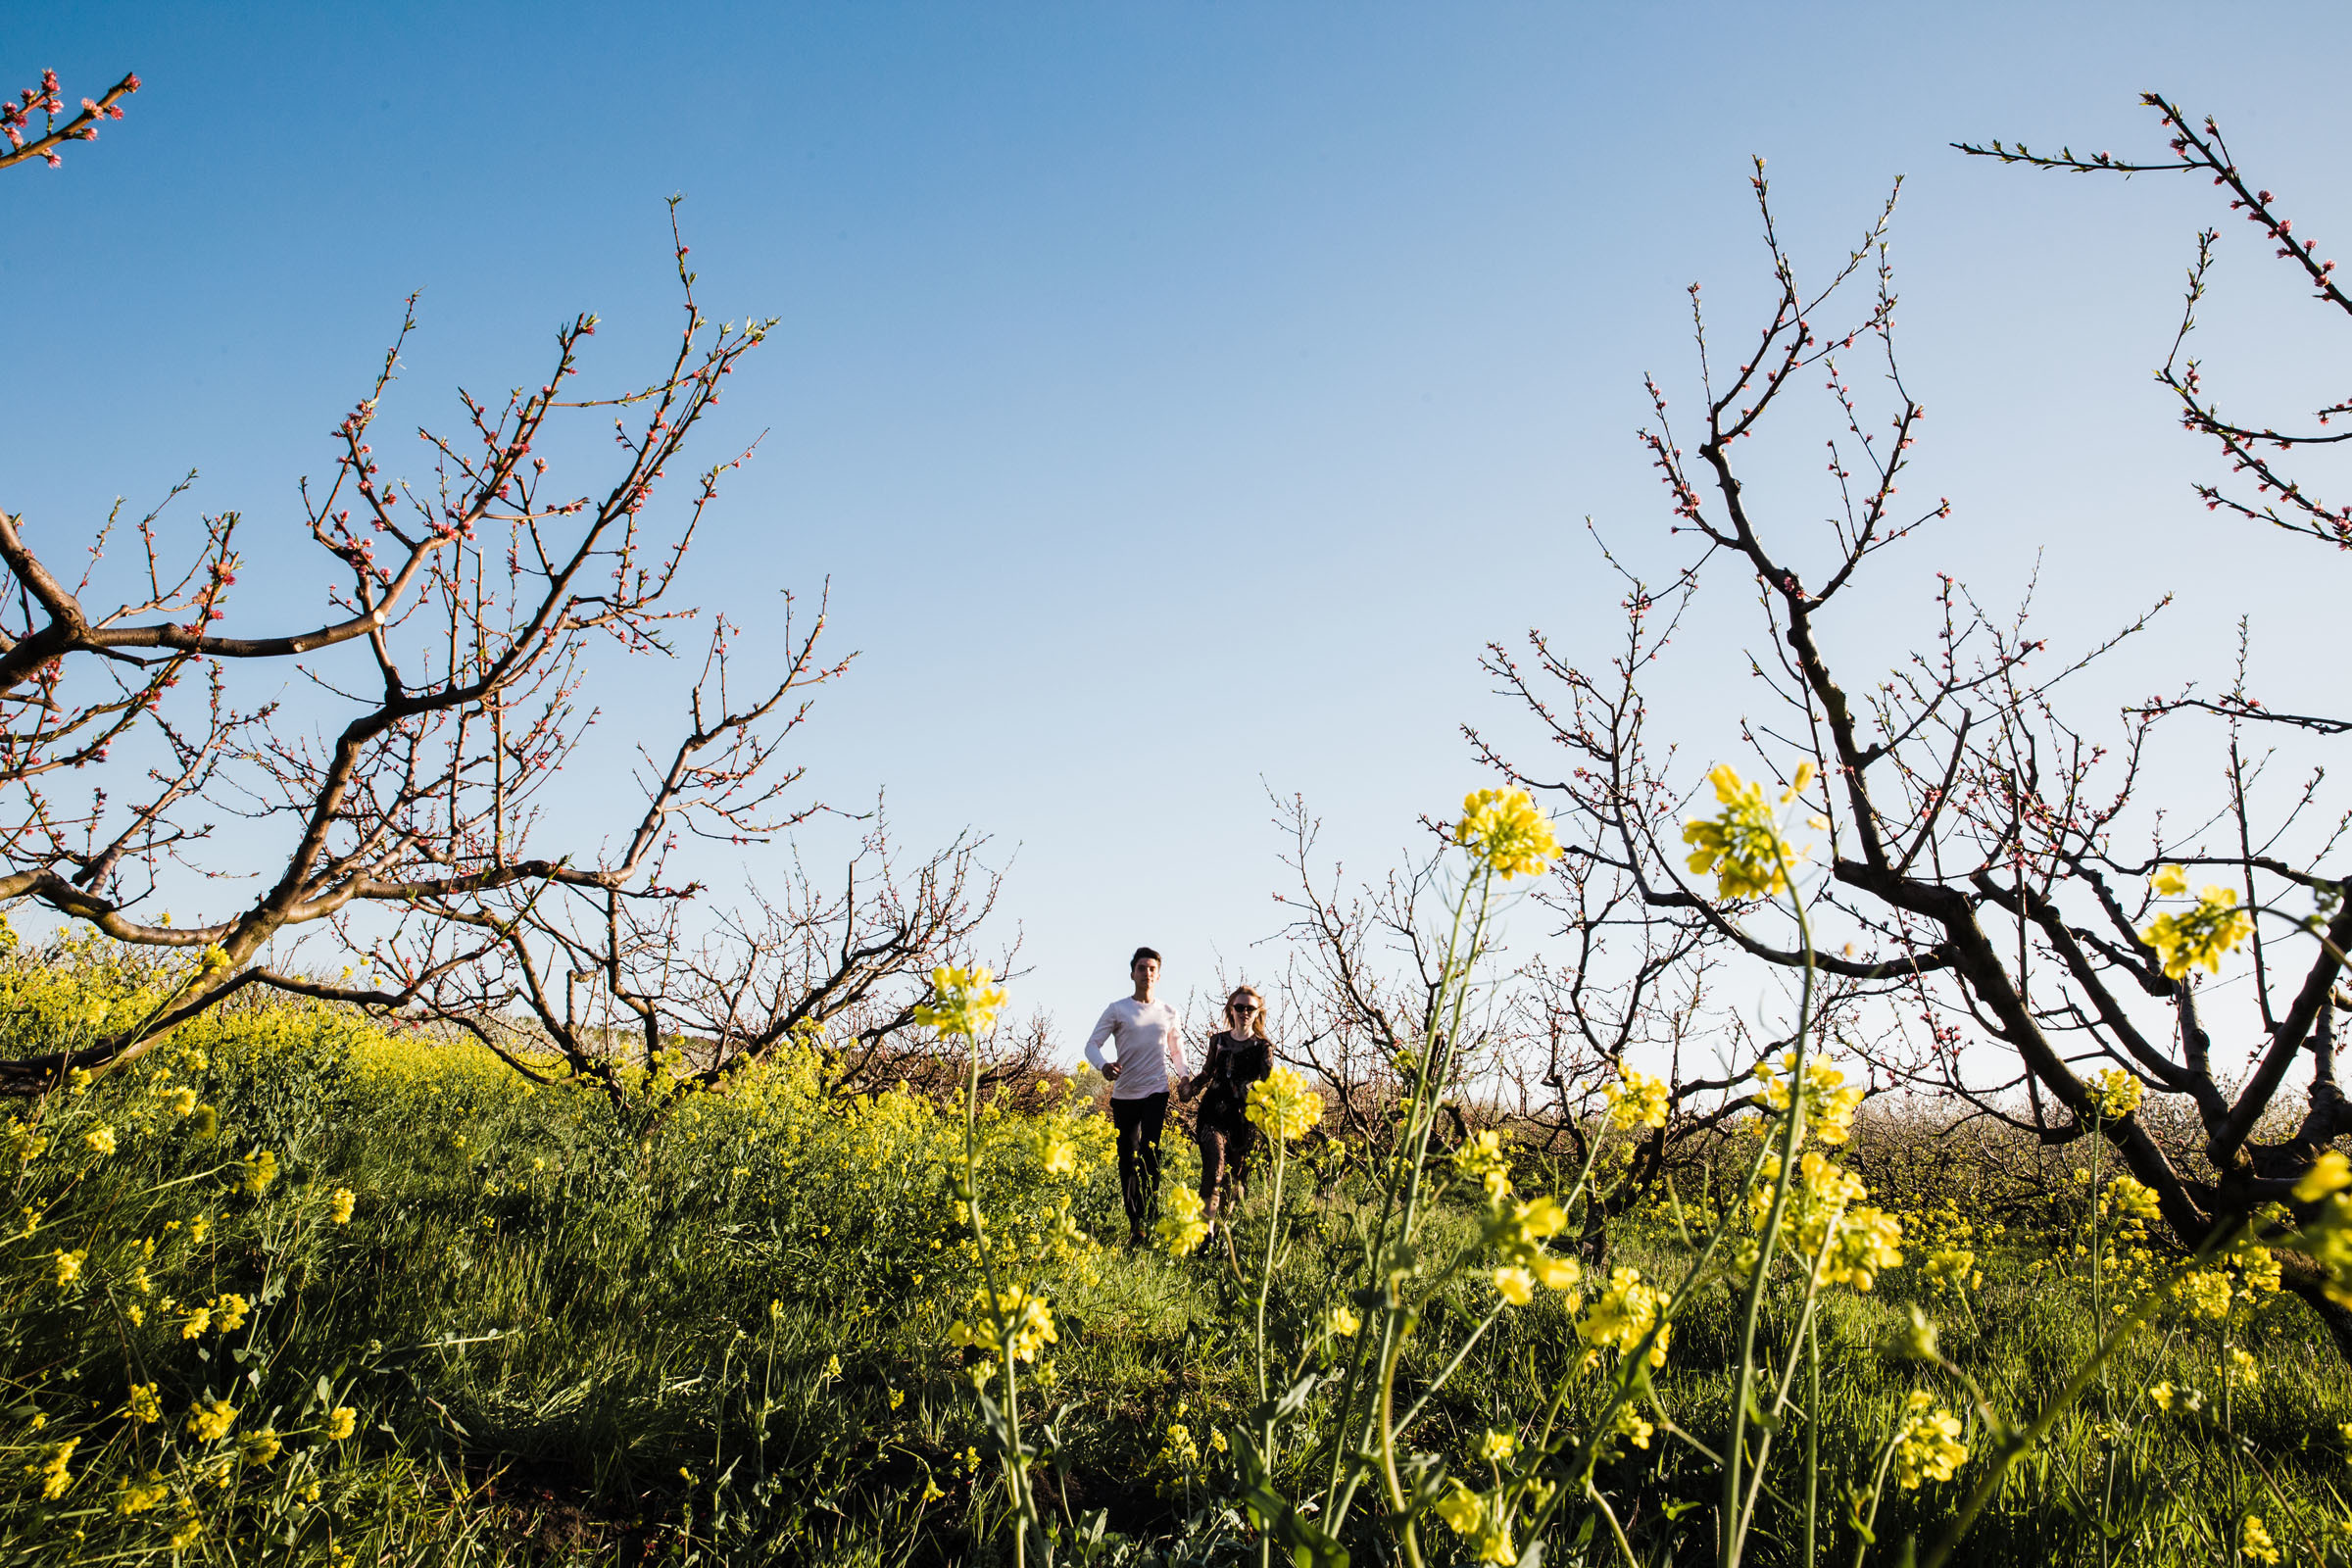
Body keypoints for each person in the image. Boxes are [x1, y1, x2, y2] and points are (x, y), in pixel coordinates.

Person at [1082, 947, 1189, 1246]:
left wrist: (1184, 1077)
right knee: (1127, 1160)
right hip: (1125, 1093)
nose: (1147, 973)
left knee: (1151, 1155)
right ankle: (1136, 1225)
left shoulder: (1169, 1012)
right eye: (1142, 968)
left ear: (1159, 974)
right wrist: (1103, 1066)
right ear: (1132, 974)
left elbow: (1177, 1051)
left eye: (1152, 968)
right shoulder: (1117, 1009)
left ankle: (1151, 1217)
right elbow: (1091, 1044)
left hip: (1156, 1091)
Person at [1180, 985, 1274, 1240]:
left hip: (1243, 1118)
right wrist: (1190, 1089)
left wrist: (1277, 1112)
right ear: (1231, 1010)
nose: (1244, 1012)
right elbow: (1208, 1073)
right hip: (1213, 1112)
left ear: (1257, 1013)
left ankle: (1222, 1231)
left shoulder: (1263, 1047)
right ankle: (1206, 1234)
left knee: (1236, 1178)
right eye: (1239, 1007)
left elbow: (1269, 1084)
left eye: (1250, 1008)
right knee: (1214, 1167)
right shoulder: (1218, 1041)